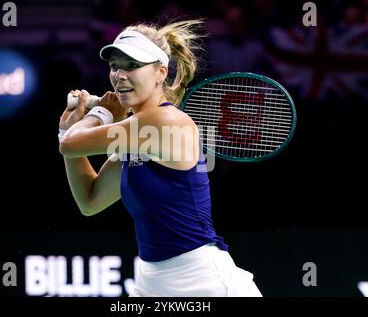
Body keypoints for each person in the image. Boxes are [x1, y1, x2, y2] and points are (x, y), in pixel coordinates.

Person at [58, 19, 262, 297]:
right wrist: (65, 131)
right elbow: (90, 200)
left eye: (132, 65)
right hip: (151, 282)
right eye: (114, 65)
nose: (119, 74)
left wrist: (101, 113)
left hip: (204, 282)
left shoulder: (163, 121)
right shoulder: (134, 134)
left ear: (160, 72)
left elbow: (71, 145)